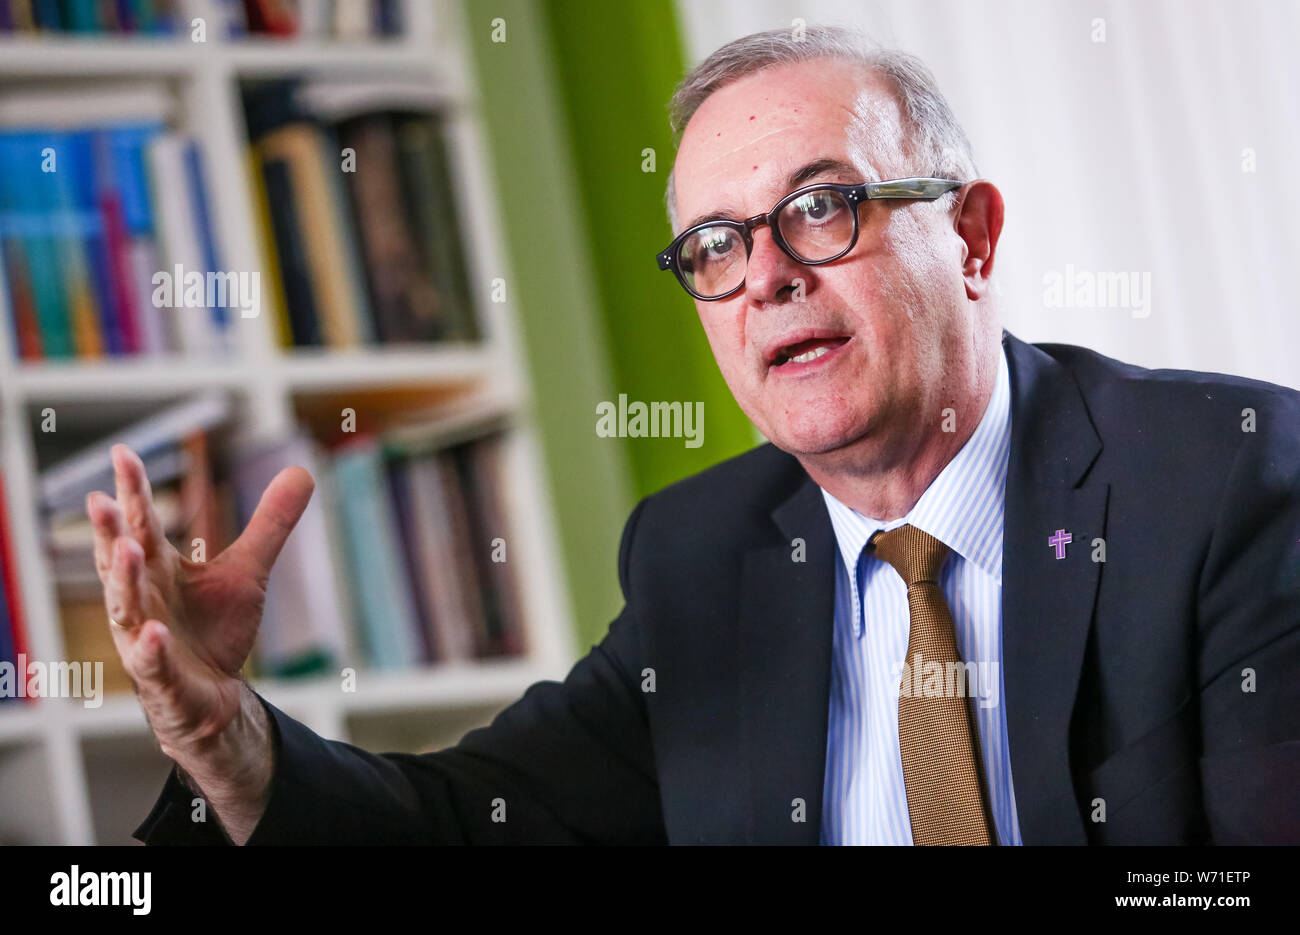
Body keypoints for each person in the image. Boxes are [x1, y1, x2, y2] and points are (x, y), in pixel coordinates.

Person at [87, 26, 1299, 845]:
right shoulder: (702, 558)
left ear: (971, 239)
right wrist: (224, 730)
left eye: (820, 208)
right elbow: (462, 822)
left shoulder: (1221, 474)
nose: (764, 275)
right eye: (716, 245)